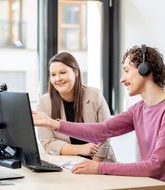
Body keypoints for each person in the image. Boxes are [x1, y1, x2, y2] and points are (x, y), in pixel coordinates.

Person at [33, 45, 165, 181]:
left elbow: (156, 166)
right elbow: (101, 130)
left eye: (126, 71)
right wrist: (53, 123)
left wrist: (99, 167)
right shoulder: (138, 109)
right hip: (149, 184)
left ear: (145, 70)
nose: (122, 79)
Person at [35, 52, 116, 162]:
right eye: (53, 75)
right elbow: (48, 143)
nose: (57, 78)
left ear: (76, 72)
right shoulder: (44, 102)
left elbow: (105, 134)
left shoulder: (94, 95)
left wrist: (94, 165)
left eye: (63, 72)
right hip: (67, 165)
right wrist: (81, 149)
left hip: (100, 162)